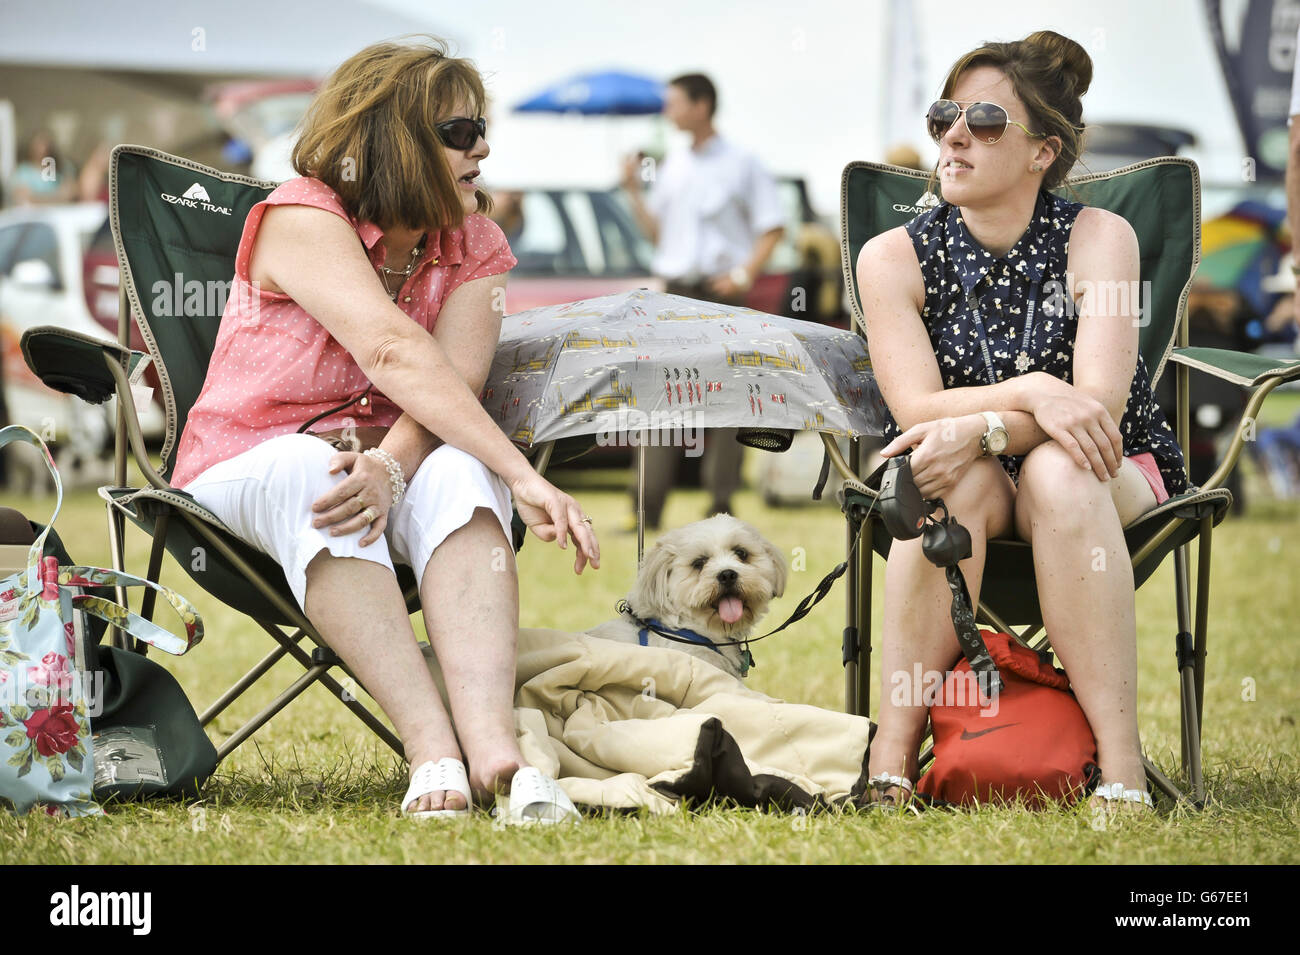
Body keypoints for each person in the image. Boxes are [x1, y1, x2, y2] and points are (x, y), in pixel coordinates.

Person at [171, 37, 600, 821]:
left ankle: (496, 751)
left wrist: (392, 467)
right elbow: (391, 349)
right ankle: (431, 746)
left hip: (373, 473)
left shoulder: (476, 243)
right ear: (395, 140)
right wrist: (527, 478)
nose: (483, 147)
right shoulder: (302, 213)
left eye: (482, 129)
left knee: (461, 468)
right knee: (315, 466)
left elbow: (454, 386)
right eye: (459, 131)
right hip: (243, 468)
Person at [855, 30, 1186, 813]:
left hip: (1108, 470)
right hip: (967, 480)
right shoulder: (891, 256)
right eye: (945, 116)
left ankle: (1121, 768)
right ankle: (890, 760)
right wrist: (1035, 389)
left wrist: (988, 426)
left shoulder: (1100, 239)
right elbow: (915, 410)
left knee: (1060, 467)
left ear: (1044, 151)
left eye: (986, 120)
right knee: (947, 473)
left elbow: (1098, 409)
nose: (955, 135)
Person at [620, 73, 785, 528]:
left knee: (728, 401)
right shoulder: (673, 163)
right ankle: (646, 509)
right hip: (674, 290)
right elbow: (661, 236)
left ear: (702, 105)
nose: (667, 111)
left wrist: (743, 274)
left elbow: (773, 225)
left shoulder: (742, 162)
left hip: (720, 292)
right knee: (659, 397)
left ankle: (721, 504)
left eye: (674, 102)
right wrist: (632, 191)